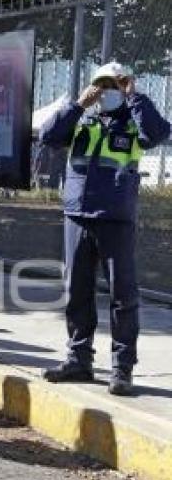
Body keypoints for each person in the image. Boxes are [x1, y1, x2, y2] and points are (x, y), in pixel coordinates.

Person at [39, 62, 171, 396]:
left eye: (115, 83)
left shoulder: (135, 120)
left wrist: (135, 98)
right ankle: (78, 359)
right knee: (77, 291)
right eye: (102, 83)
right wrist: (78, 104)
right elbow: (48, 136)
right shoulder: (82, 117)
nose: (107, 89)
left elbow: (157, 133)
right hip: (78, 215)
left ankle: (122, 369)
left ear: (126, 85)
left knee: (122, 296)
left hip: (116, 219)